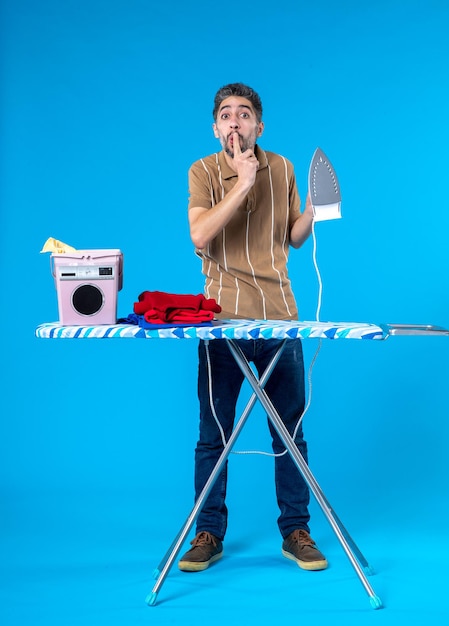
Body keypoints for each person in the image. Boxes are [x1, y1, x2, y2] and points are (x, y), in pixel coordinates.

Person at [178, 82, 327, 573]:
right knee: (213, 435)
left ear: (258, 126)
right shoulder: (202, 172)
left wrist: (316, 211)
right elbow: (200, 234)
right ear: (216, 127)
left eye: (245, 115)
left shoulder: (282, 167)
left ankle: (296, 531)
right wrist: (241, 182)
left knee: (290, 432)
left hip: (280, 318)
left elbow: (294, 238)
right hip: (220, 322)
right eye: (226, 115)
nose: (235, 122)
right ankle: (208, 531)